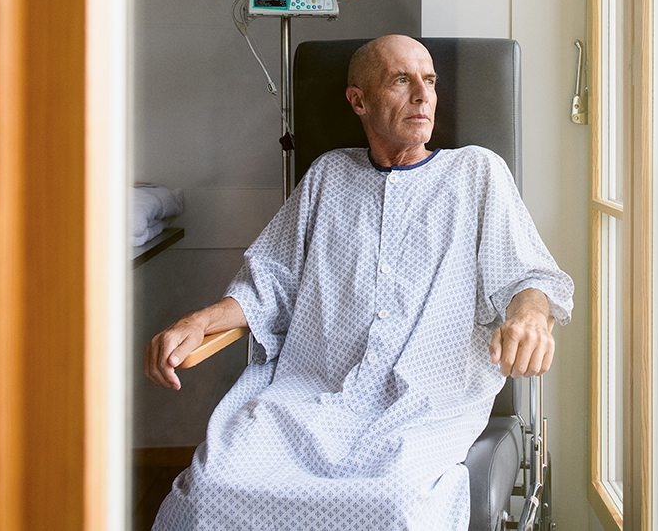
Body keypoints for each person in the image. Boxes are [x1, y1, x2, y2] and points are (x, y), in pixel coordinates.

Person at [145, 34, 574, 531]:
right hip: (310, 396)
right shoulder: (328, 175)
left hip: (421, 405)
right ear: (358, 100)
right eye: (401, 80)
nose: (423, 94)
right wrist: (197, 322)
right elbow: (269, 283)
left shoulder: (476, 173)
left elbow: (528, 274)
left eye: (430, 81)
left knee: (393, 508)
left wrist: (529, 316)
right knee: (207, 493)